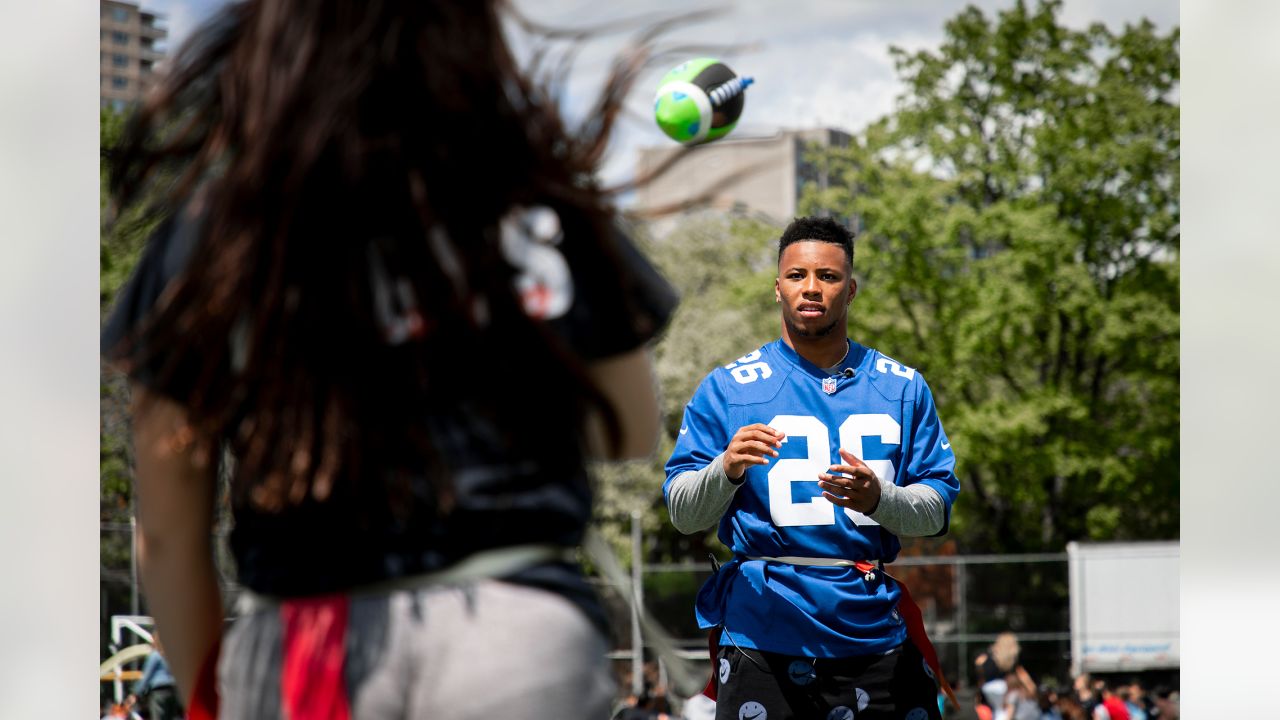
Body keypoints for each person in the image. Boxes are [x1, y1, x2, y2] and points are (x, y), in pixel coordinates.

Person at [101, 1, 677, 718]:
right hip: (516, 637)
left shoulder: (219, 229)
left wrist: (204, 697)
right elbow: (629, 429)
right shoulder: (532, 196)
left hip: (309, 644)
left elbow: (167, 527)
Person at [663, 216, 961, 720]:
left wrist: (879, 500)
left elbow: (934, 513)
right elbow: (683, 514)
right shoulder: (728, 387)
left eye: (828, 276)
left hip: (871, 628)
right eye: (798, 275)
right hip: (764, 629)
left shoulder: (903, 386)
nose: (812, 288)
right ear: (777, 287)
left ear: (851, 289)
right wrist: (727, 470)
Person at [126, 636, 183, 720]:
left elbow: (146, 676)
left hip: (158, 691)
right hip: (172, 690)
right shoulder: (172, 656)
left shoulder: (155, 656)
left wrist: (136, 693)